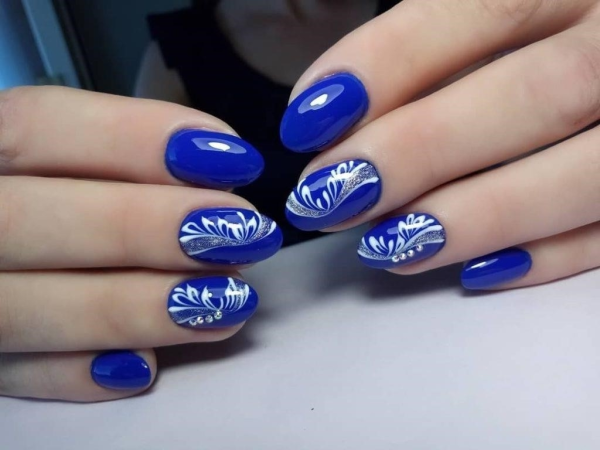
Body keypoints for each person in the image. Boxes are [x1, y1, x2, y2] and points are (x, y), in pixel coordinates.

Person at [0, 0, 598, 402]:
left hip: (462, 334)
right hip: (264, 361)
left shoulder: (446, 11)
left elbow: (530, 153)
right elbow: (139, 207)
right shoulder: (181, 47)